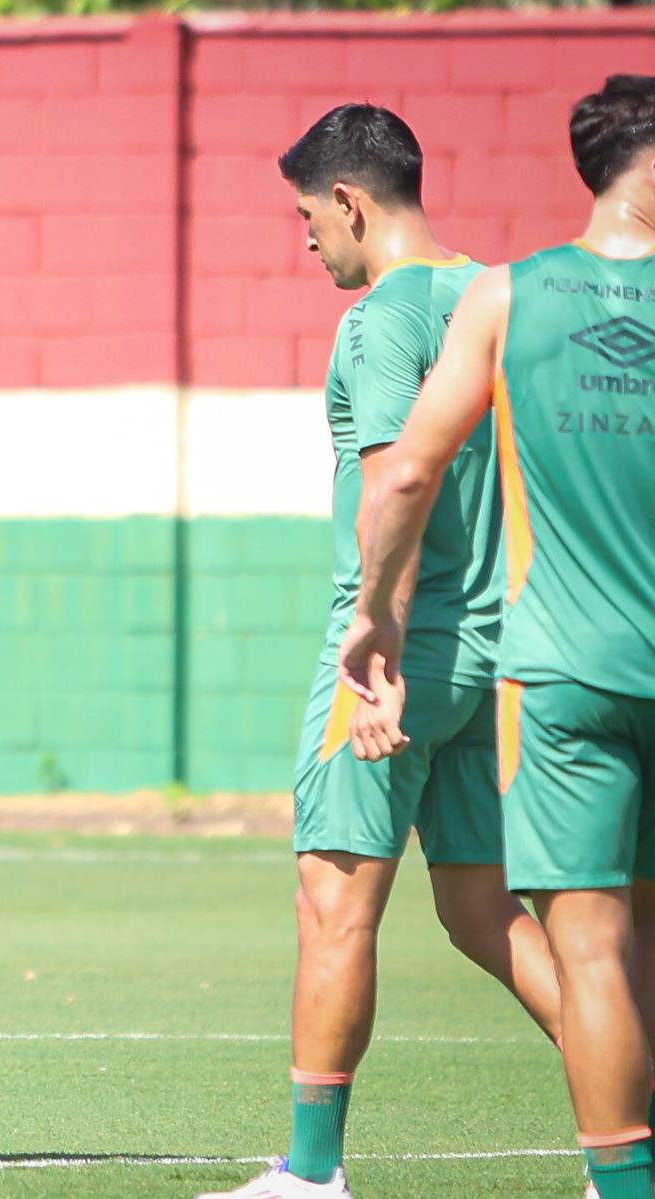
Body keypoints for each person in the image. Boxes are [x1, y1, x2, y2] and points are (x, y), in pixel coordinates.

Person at [203, 104, 562, 1199]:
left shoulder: (380, 320)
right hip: (506, 651)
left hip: (402, 649)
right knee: (483, 907)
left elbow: (395, 479)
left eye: (309, 216)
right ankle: (626, 1128)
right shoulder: (508, 297)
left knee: (335, 898)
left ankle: (311, 1171)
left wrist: (380, 639)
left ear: (351, 202)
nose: (306, 238)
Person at [336, 75, 655, 1199]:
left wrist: (375, 613)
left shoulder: (511, 299)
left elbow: (410, 467)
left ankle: (622, 1184)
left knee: (594, 947)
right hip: (550, 670)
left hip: (562, 676)